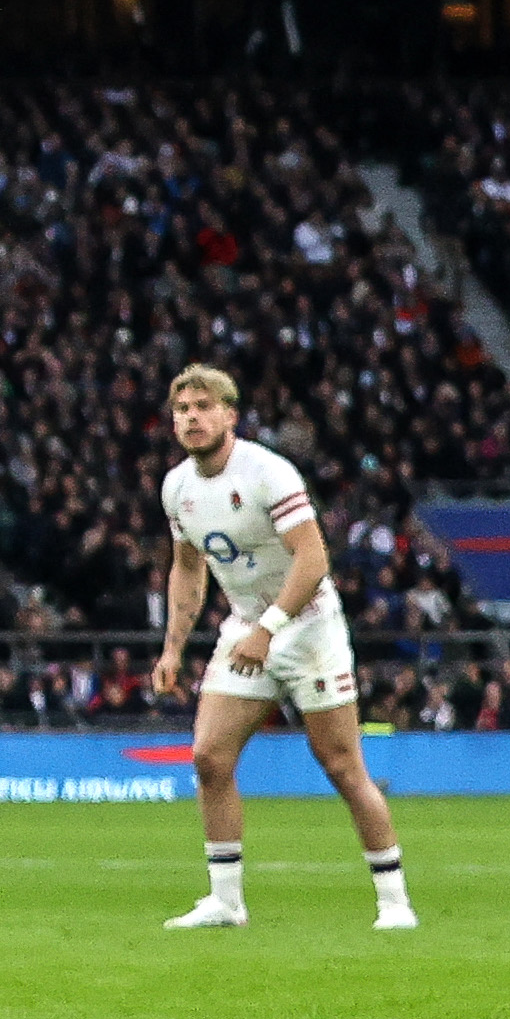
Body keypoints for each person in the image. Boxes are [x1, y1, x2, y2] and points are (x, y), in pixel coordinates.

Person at [150, 362, 412, 933]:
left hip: (308, 626)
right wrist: (173, 647)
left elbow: (313, 559)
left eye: (203, 408)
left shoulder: (268, 472)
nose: (192, 419)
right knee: (208, 757)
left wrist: (268, 629)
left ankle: (394, 901)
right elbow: (187, 569)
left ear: (230, 416)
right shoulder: (177, 487)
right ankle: (226, 901)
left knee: (341, 764)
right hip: (247, 627)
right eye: (182, 411)